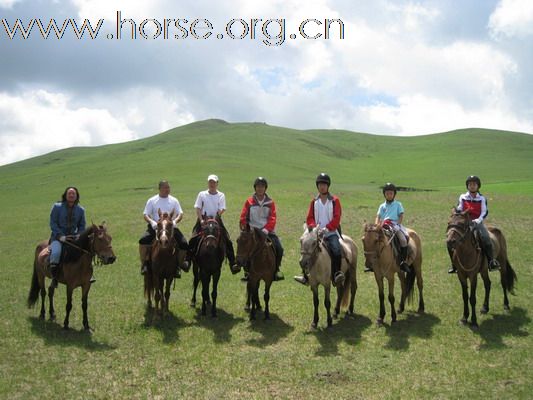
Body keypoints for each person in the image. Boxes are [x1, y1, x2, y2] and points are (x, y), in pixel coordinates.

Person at [294, 173, 344, 286]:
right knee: (306, 248)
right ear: (317, 186)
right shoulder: (314, 201)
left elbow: (337, 217)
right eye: (320, 184)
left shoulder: (335, 200)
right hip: (316, 233)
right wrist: (314, 227)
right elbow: (310, 217)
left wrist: (327, 229)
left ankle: (337, 274)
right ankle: (305, 275)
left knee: (336, 249)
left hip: (331, 232)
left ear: (328, 186)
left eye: (324, 184)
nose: (322, 187)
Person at [448, 175, 500, 273]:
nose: (472, 186)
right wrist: (456, 211)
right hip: (464, 223)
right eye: (470, 184)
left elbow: (484, 212)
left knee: (485, 238)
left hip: (477, 222)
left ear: (478, 186)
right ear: (467, 186)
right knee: (450, 239)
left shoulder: (482, 198)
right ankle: (454, 265)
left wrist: (478, 220)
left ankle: (491, 262)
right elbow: (460, 207)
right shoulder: (462, 197)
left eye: (474, 184)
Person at [139, 180, 189, 278]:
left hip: (170, 227)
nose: (167, 189)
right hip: (156, 227)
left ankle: (179, 264)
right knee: (143, 240)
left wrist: (175, 221)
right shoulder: (152, 200)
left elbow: (180, 214)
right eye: (165, 187)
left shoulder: (174, 200)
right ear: (160, 188)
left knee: (184, 243)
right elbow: (146, 214)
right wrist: (152, 222)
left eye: (168, 187)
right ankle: (144, 263)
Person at [187, 174, 238, 270]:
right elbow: (198, 208)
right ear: (208, 183)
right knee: (193, 238)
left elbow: (222, 209)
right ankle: (187, 260)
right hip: (203, 219)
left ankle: (233, 263)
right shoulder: (202, 194)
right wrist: (201, 220)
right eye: (210, 182)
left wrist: (215, 219)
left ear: (217, 183)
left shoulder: (221, 195)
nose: (212, 184)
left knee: (227, 239)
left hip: (216, 220)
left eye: (214, 182)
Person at [239, 177, 284, 281]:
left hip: (266, 232)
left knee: (280, 248)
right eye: (258, 186)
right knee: (243, 247)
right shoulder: (249, 202)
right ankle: (246, 271)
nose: (260, 188)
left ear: (265, 188)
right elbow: (243, 217)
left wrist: (266, 229)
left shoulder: (270, 202)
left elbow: (272, 218)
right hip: (252, 232)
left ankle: (276, 270)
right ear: (255, 188)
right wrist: (247, 229)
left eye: (262, 186)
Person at [49, 186, 91, 288]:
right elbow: (53, 223)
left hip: (73, 238)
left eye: (74, 194)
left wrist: (78, 236)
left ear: (76, 196)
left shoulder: (81, 210)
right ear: (65, 195)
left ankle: (88, 275)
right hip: (58, 238)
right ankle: (54, 278)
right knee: (56, 253)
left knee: (86, 252)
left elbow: (82, 226)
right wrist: (60, 236)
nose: (71, 195)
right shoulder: (57, 207)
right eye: (69, 193)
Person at [373, 182, 411, 273]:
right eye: (387, 193)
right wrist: (376, 225)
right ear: (384, 194)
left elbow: (401, 215)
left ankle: (403, 262)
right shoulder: (382, 206)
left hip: (394, 224)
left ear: (394, 194)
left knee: (403, 240)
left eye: (391, 193)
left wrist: (398, 224)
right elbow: (378, 216)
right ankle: (372, 262)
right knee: (373, 240)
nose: (389, 195)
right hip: (383, 224)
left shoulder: (398, 204)